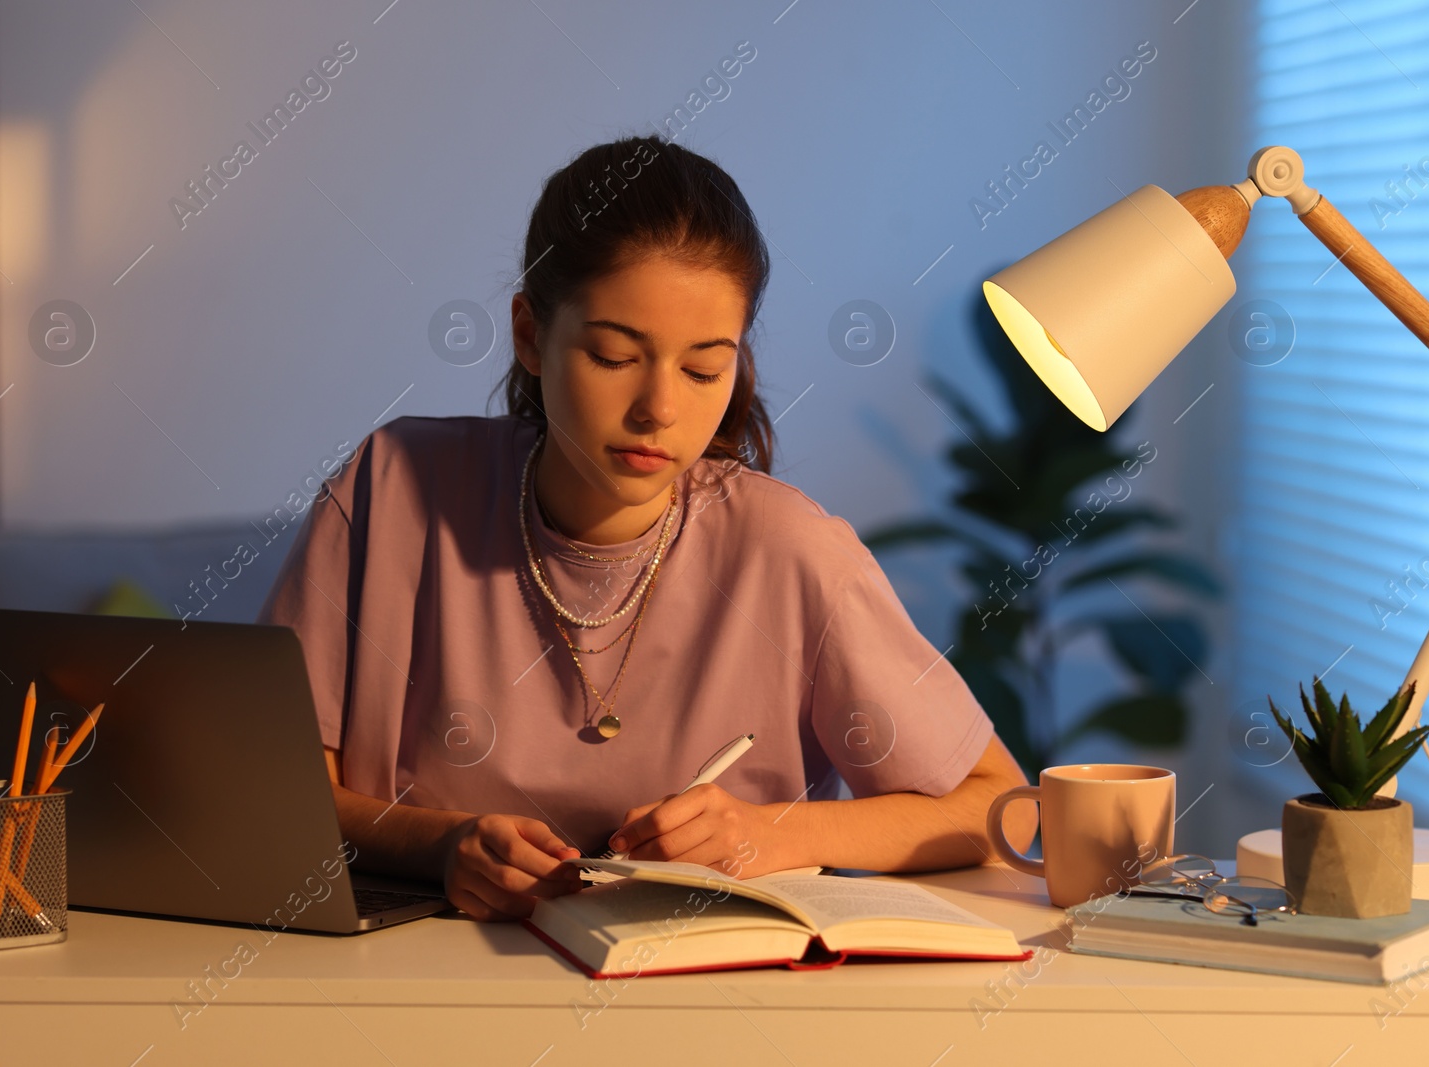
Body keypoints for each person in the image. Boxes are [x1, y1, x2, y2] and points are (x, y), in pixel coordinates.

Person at [259, 134, 1035, 922]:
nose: (660, 410)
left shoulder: (789, 550)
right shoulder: (394, 488)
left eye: (704, 370)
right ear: (530, 334)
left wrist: (772, 832)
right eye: (613, 355)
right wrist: (440, 844)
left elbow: (999, 804)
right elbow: (269, 791)